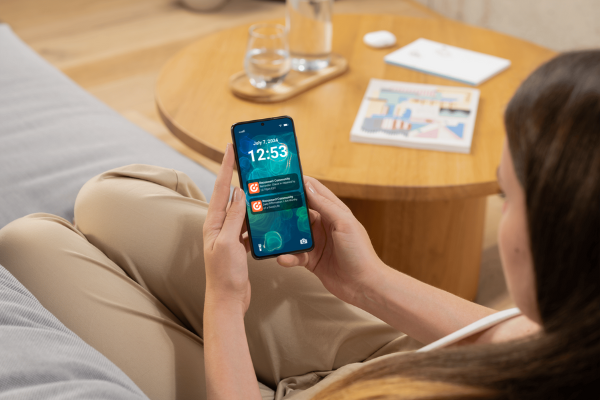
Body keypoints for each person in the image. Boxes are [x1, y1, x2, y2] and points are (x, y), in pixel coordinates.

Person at [0, 50, 598, 399]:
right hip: (390, 356)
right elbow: (525, 343)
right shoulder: (578, 337)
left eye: (505, 195)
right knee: (110, 198)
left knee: (27, 242)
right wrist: (367, 281)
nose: (501, 211)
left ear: (561, 239)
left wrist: (225, 304)